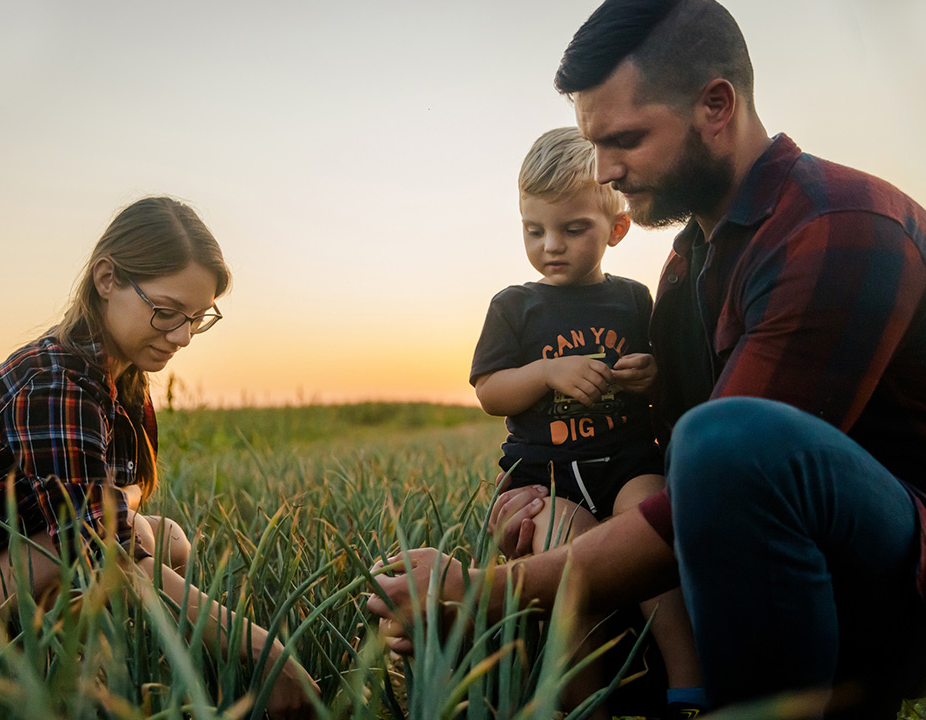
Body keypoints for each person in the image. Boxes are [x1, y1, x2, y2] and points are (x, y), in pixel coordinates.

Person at [368, 1, 926, 718]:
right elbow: (669, 464)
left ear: (715, 105)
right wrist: (542, 508)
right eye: (593, 143)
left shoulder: (839, 226)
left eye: (625, 139)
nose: (605, 170)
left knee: (726, 442)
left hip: (895, 584)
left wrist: (481, 590)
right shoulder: (688, 261)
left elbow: (723, 473)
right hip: (757, 574)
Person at [0, 197, 318, 717]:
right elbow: (97, 549)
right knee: (90, 552)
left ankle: (82, 672)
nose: (181, 337)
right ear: (106, 278)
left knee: (164, 536)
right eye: (166, 312)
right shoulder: (55, 381)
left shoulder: (120, 376)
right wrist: (272, 658)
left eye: (197, 320)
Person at [469, 126, 702, 715]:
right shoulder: (513, 306)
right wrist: (547, 373)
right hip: (546, 475)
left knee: (653, 520)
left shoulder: (631, 299)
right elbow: (491, 391)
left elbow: (654, 381)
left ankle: (688, 677)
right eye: (534, 230)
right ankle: (585, 700)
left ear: (616, 229)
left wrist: (648, 373)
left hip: (624, 460)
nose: (552, 245)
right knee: (565, 561)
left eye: (574, 229)